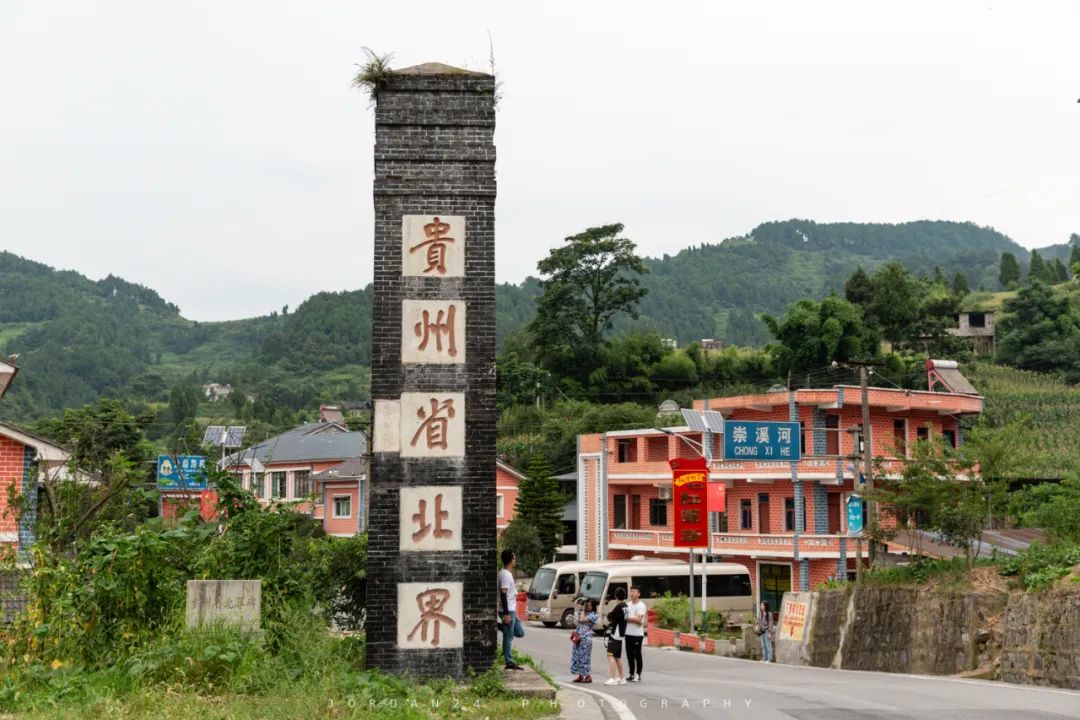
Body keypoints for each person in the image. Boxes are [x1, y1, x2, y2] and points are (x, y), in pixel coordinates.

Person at [498, 549, 525, 670]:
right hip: (508, 610)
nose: (515, 560)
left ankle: (501, 627)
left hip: (512, 609)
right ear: (510, 560)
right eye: (514, 558)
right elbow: (503, 593)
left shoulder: (507, 574)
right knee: (508, 638)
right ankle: (509, 661)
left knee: (520, 632)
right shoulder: (504, 574)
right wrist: (507, 614)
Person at [603, 587, 628, 685]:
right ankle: (622, 677)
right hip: (621, 634)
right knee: (617, 657)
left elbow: (610, 617)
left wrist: (610, 615)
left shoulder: (619, 607)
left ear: (616, 596)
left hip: (615, 634)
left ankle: (612, 678)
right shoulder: (626, 606)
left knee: (610, 655)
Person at [570, 599, 598, 683]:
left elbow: (582, 620)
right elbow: (577, 622)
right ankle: (580, 675)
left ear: (593, 606)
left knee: (585, 657)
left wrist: (582, 611)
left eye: (589, 605)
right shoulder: (583, 613)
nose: (587, 607)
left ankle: (588, 676)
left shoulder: (593, 615)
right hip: (578, 637)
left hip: (586, 638)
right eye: (586, 605)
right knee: (577, 656)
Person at [623, 585, 646, 683]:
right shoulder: (627, 605)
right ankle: (631, 673)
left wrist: (628, 618)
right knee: (629, 655)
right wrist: (633, 619)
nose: (632, 593)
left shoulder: (641, 605)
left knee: (637, 654)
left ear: (639, 594)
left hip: (637, 634)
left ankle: (638, 675)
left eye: (634, 591)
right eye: (631, 591)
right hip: (628, 633)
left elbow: (638, 619)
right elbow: (625, 618)